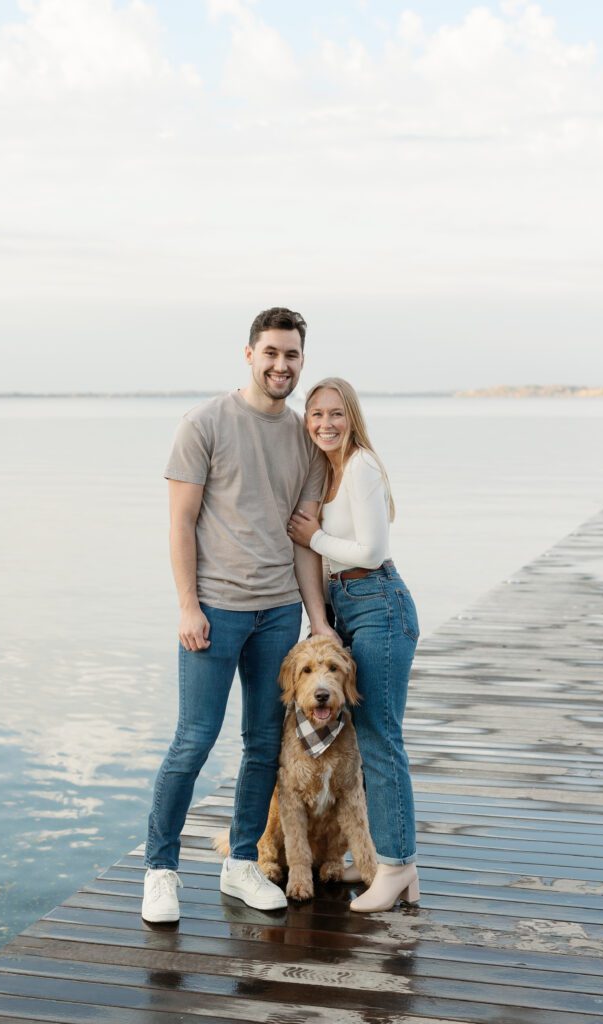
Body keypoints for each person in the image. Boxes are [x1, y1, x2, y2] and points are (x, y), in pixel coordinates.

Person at [142, 308, 334, 923]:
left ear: (302, 361)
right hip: (215, 614)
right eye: (272, 352)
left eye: (293, 355)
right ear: (248, 354)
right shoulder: (204, 423)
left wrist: (317, 619)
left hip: (277, 615)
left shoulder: (305, 435)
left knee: (261, 746)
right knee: (192, 742)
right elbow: (179, 522)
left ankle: (241, 863)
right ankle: (160, 870)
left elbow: (303, 538)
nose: (282, 365)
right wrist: (187, 606)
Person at [287, 377, 420, 913]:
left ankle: (395, 867)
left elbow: (372, 546)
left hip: (379, 604)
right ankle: (397, 865)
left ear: (352, 416)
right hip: (349, 606)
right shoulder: (329, 470)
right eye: (315, 414)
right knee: (371, 742)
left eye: (335, 413)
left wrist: (312, 536)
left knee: (381, 740)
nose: (325, 423)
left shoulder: (361, 465)